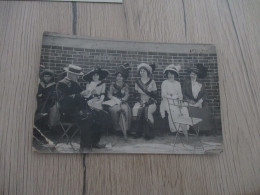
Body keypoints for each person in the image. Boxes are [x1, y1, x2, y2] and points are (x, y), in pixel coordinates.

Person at [56, 64, 105, 150]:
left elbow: (82, 97)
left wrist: (90, 95)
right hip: (68, 112)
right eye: (77, 75)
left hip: (80, 110)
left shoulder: (75, 83)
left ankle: (94, 142)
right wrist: (79, 95)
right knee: (87, 117)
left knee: (101, 114)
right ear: (70, 74)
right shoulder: (61, 84)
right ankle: (85, 147)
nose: (78, 77)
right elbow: (63, 100)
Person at [81, 67, 109, 148]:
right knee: (91, 117)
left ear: (99, 76)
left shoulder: (102, 83)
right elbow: (86, 96)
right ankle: (90, 141)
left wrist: (100, 100)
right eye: (93, 75)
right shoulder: (89, 84)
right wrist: (90, 94)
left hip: (99, 101)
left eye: (97, 75)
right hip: (90, 101)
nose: (95, 77)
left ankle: (96, 141)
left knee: (100, 117)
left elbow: (103, 94)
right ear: (91, 76)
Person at [183, 63, 214, 132]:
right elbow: (184, 94)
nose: (192, 76)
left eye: (194, 74)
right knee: (191, 110)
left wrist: (200, 101)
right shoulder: (186, 83)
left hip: (199, 102)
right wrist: (189, 100)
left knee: (206, 109)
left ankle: (204, 130)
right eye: (191, 74)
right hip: (190, 101)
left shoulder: (201, 83)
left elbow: (205, 94)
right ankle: (194, 130)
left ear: (197, 75)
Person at [160, 64, 189, 135]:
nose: (170, 75)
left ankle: (184, 129)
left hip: (176, 101)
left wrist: (180, 101)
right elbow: (163, 95)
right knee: (173, 110)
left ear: (175, 75)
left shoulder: (177, 83)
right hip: (167, 101)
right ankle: (176, 130)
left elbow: (180, 95)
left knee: (184, 109)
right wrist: (172, 96)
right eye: (168, 74)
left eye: (172, 74)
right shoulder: (165, 83)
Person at [106, 63, 131, 139]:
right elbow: (109, 94)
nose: (119, 78)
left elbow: (127, 95)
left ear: (123, 78)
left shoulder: (125, 85)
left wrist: (123, 99)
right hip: (114, 102)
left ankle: (126, 129)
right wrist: (114, 98)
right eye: (118, 76)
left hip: (122, 101)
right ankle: (116, 128)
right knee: (115, 110)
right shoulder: (113, 85)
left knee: (126, 109)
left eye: (121, 76)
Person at [132, 63, 157, 140]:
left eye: (144, 71)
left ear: (147, 72)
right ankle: (138, 132)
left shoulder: (152, 82)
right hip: (140, 101)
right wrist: (141, 101)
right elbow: (135, 95)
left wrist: (148, 102)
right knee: (135, 109)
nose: (142, 72)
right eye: (141, 71)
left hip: (151, 102)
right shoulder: (137, 81)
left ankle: (149, 133)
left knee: (147, 111)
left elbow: (155, 96)